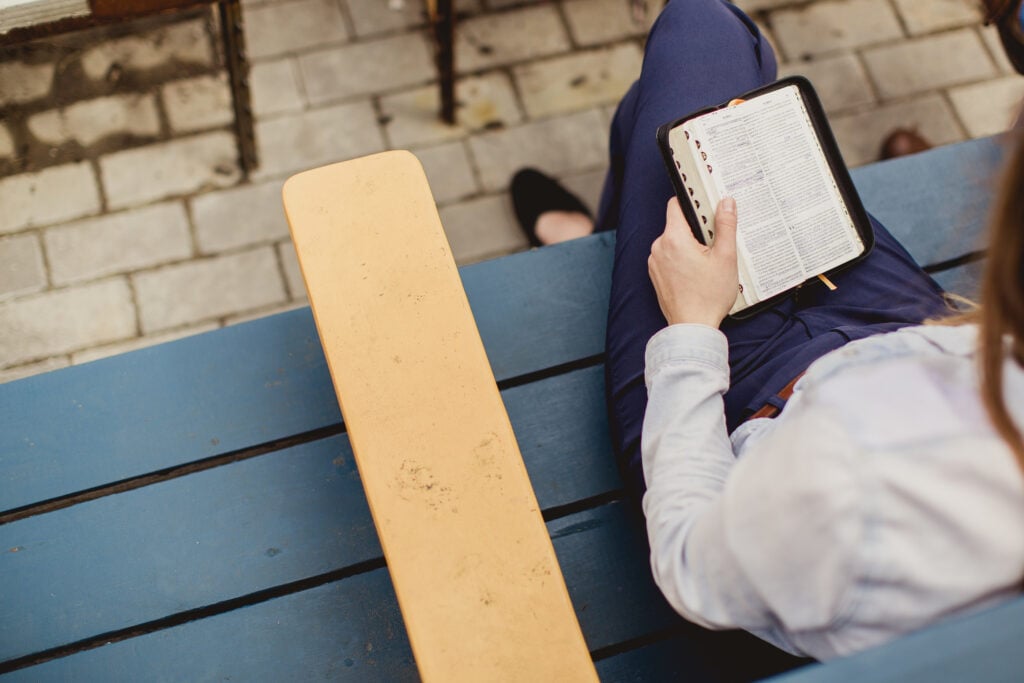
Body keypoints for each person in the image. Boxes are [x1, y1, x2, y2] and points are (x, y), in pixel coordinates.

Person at [510, 0, 1024, 663]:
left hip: (739, 406)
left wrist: (693, 324)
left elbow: (690, 559)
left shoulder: (855, 480)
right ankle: (611, 223)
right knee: (691, 120)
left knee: (700, 33)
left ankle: (597, 235)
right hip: (909, 337)